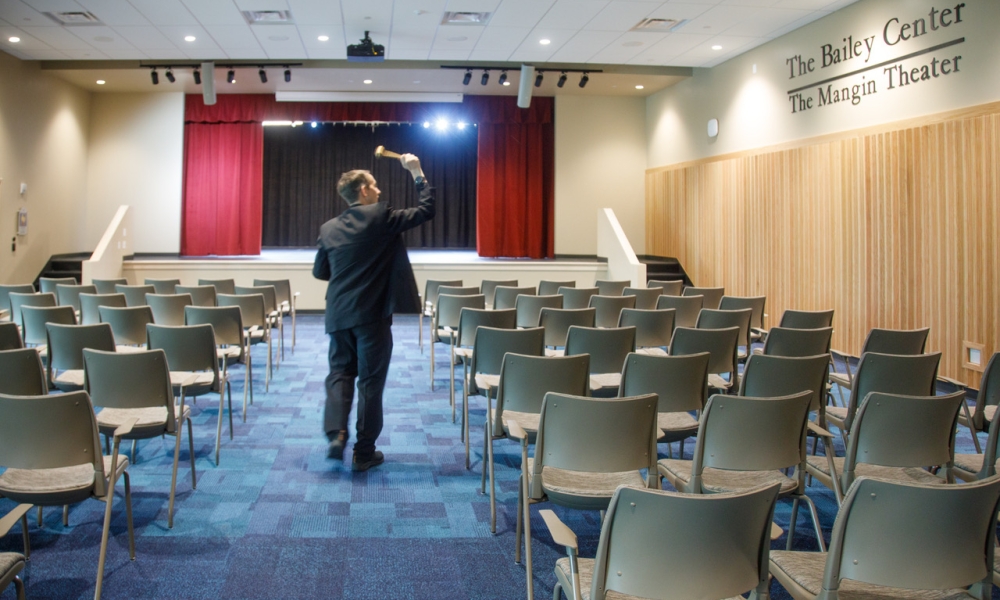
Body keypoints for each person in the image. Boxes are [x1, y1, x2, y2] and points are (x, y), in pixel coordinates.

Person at [313, 153, 433, 471]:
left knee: (339, 374)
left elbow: (320, 272)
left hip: (338, 315)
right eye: (375, 185)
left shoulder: (328, 229)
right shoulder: (381, 216)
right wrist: (416, 171)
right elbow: (427, 210)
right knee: (370, 382)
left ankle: (336, 434)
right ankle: (363, 453)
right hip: (371, 316)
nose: (379, 190)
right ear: (364, 190)